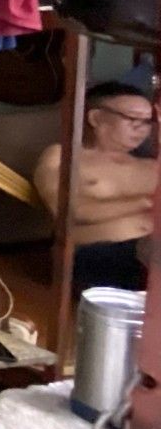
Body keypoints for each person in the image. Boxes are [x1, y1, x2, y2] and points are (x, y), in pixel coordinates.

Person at [33, 81, 158, 291]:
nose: (141, 128)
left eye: (147, 121)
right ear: (96, 118)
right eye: (132, 118)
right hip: (95, 254)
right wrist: (148, 203)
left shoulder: (151, 165)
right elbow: (66, 210)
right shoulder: (63, 156)